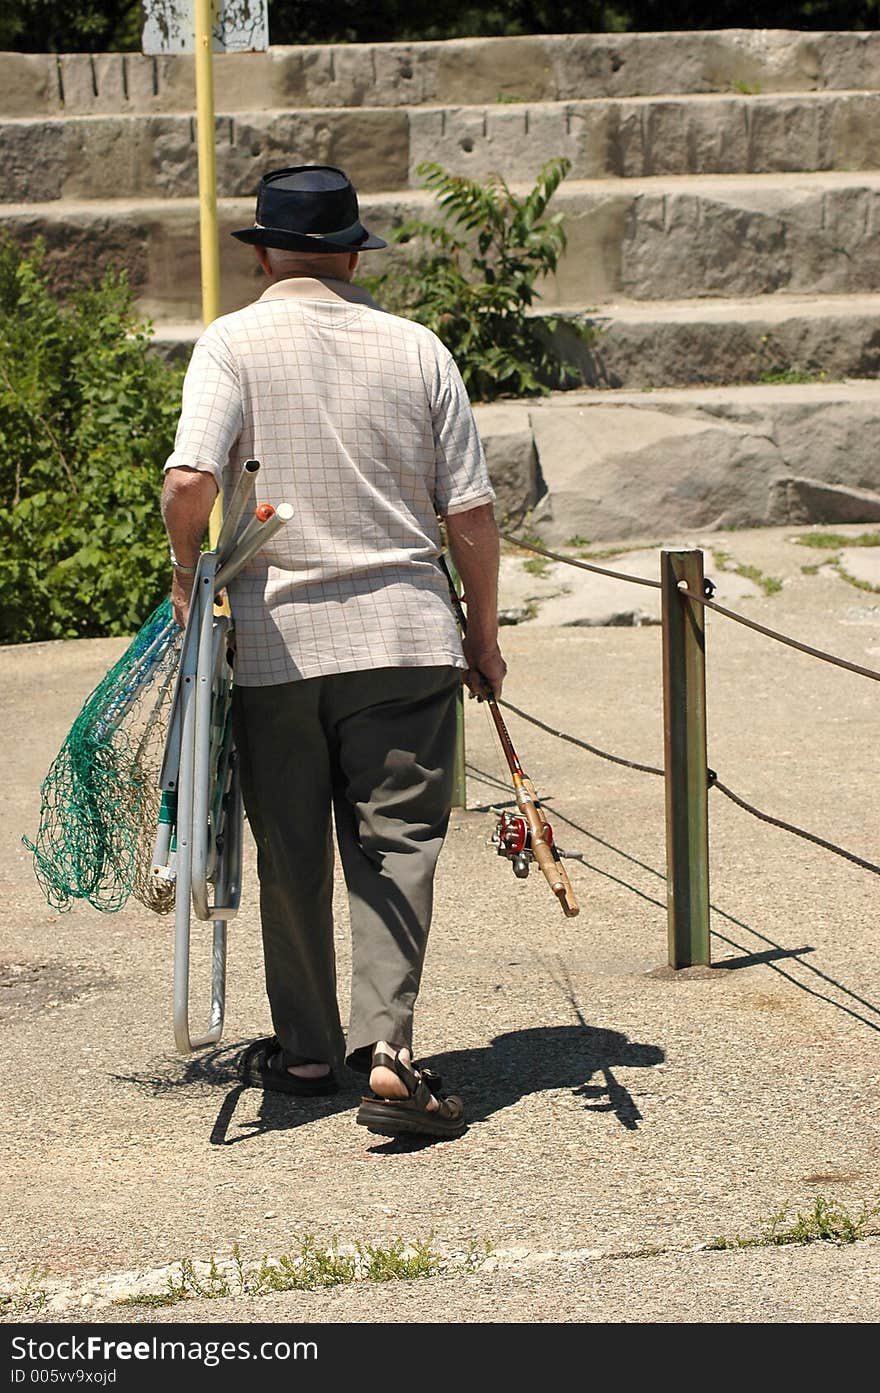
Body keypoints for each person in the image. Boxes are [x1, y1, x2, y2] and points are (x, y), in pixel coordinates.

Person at [161, 164, 506, 1140]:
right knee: (398, 845)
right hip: (405, 635)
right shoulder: (418, 349)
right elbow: (470, 513)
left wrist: (189, 582)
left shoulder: (232, 343)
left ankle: (309, 1051)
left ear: (263, 253)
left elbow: (190, 481)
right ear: (355, 253)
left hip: (276, 641)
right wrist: (480, 636)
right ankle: (389, 1053)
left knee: (293, 850)